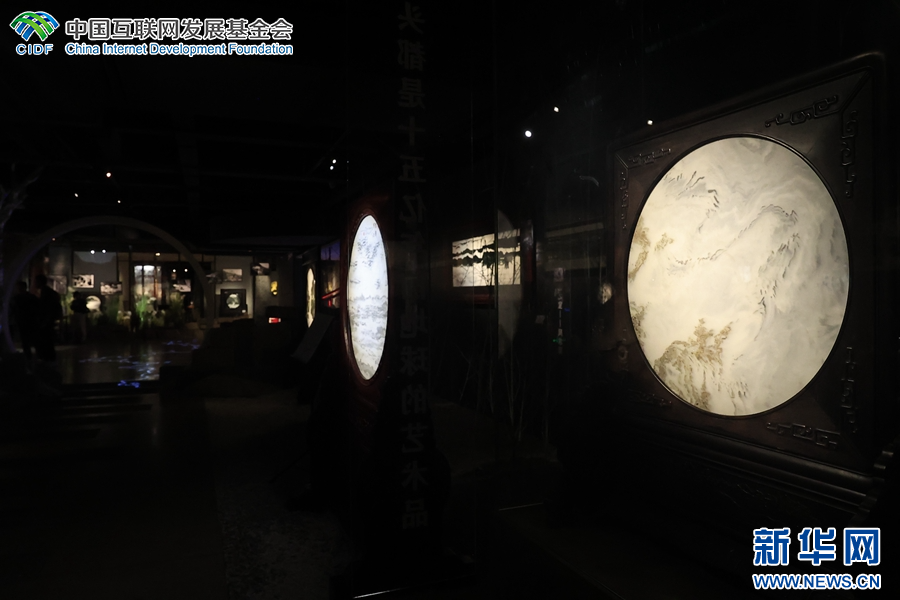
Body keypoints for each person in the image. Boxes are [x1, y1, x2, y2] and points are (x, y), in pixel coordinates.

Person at [9, 280, 39, 364]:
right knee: (32, 340)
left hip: (22, 321)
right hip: (31, 321)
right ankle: (36, 357)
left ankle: (29, 357)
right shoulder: (31, 297)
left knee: (25, 341)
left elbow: (12, 310)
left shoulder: (16, 298)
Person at [34, 274, 62, 362]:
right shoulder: (48, 292)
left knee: (45, 340)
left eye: (36, 281)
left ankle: (46, 358)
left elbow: (46, 308)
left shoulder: (45, 292)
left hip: (46, 321)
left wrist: (44, 321)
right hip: (48, 320)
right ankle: (49, 358)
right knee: (48, 340)